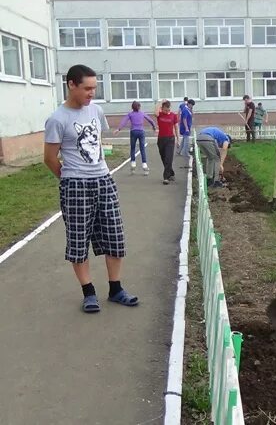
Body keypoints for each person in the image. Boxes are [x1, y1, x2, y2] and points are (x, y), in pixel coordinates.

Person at [43, 64, 139, 313]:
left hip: (104, 181)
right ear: (71, 85)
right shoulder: (57, 119)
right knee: (78, 242)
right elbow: (50, 158)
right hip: (75, 186)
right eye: (87, 88)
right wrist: (68, 178)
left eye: (94, 88)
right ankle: (89, 293)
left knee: (115, 238)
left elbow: (97, 141)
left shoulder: (96, 111)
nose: (91, 93)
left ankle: (116, 289)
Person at [114, 101, 157, 175]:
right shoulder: (142, 113)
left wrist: (119, 129)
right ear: (139, 107)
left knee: (133, 148)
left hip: (133, 132)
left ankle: (133, 164)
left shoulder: (130, 114)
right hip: (141, 132)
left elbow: (124, 121)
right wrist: (154, 127)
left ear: (132, 107)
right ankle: (144, 165)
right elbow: (150, 120)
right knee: (142, 148)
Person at [155, 99, 179, 185]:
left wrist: (178, 139)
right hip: (161, 139)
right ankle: (171, 173)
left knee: (169, 157)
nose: (166, 111)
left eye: (168, 109)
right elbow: (155, 112)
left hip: (170, 139)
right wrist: (160, 102)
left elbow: (176, 128)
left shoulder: (173, 115)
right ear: (162, 108)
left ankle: (166, 177)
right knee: (164, 158)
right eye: (165, 109)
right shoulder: (160, 115)